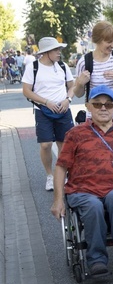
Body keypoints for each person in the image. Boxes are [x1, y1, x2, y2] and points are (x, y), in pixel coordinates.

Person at [50, 85, 113, 276]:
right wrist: (57, 200)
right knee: (93, 206)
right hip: (83, 191)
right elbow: (61, 167)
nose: (103, 108)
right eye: (97, 104)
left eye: (108, 104)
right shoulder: (75, 134)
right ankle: (96, 260)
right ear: (89, 106)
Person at [21, 37, 76, 191]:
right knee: (45, 145)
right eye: (56, 50)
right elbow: (26, 91)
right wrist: (46, 102)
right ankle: (50, 176)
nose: (59, 52)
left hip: (63, 111)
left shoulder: (63, 66)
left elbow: (72, 86)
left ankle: (63, 174)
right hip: (43, 111)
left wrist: (68, 99)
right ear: (46, 52)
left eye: (59, 49)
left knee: (63, 145)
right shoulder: (34, 67)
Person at [72, 21, 113, 127]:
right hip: (95, 123)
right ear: (98, 40)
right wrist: (80, 84)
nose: (112, 45)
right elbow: (78, 93)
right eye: (109, 42)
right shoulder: (85, 62)